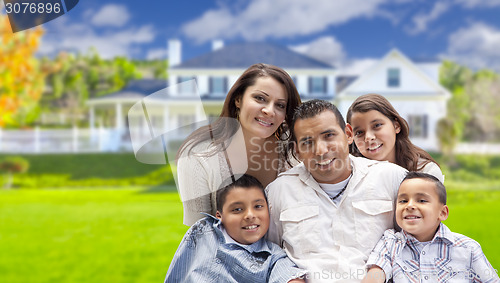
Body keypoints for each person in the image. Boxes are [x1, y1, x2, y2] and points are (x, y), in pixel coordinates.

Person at [266, 99, 407, 282]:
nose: (321, 150)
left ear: (348, 134)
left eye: (329, 135)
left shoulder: (392, 178)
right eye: (307, 142)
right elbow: (270, 254)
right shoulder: (279, 192)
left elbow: (420, 242)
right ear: (297, 151)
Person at [176, 63, 301, 226]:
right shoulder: (198, 157)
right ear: (238, 99)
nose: (270, 111)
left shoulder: (295, 147)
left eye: (280, 105)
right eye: (260, 98)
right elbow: (199, 235)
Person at [165, 174, 306, 283]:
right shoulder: (202, 231)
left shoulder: (272, 257)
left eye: (258, 206)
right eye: (237, 209)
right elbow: (178, 269)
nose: (250, 215)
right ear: (220, 216)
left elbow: (287, 275)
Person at [362, 172, 499, 283]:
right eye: (403, 200)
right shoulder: (390, 242)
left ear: (442, 213)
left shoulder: (467, 248)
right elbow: (375, 275)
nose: (409, 205)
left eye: (421, 200)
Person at [346, 93, 444, 183]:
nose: (368, 137)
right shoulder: (350, 175)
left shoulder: (426, 172)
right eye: (359, 132)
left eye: (377, 125)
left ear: (396, 126)